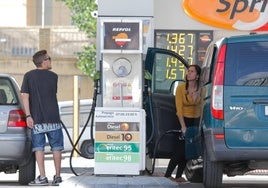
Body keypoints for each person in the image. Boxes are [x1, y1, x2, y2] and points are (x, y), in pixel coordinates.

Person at [21, 50, 64, 186]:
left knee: (39, 148)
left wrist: (28, 115)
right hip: (54, 118)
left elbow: (25, 96)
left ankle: (43, 178)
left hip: (37, 119)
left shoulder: (28, 76)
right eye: (48, 59)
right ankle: (57, 177)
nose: (50, 61)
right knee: (56, 147)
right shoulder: (54, 77)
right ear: (43, 61)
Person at [165, 64, 203, 183]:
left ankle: (178, 176)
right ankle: (167, 174)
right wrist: (183, 126)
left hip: (195, 121)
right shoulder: (181, 88)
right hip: (183, 120)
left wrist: (197, 97)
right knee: (180, 150)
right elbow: (179, 109)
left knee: (188, 151)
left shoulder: (201, 89)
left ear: (197, 76)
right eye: (188, 71)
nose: (188, 73)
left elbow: (202, 107)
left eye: (192, 72)